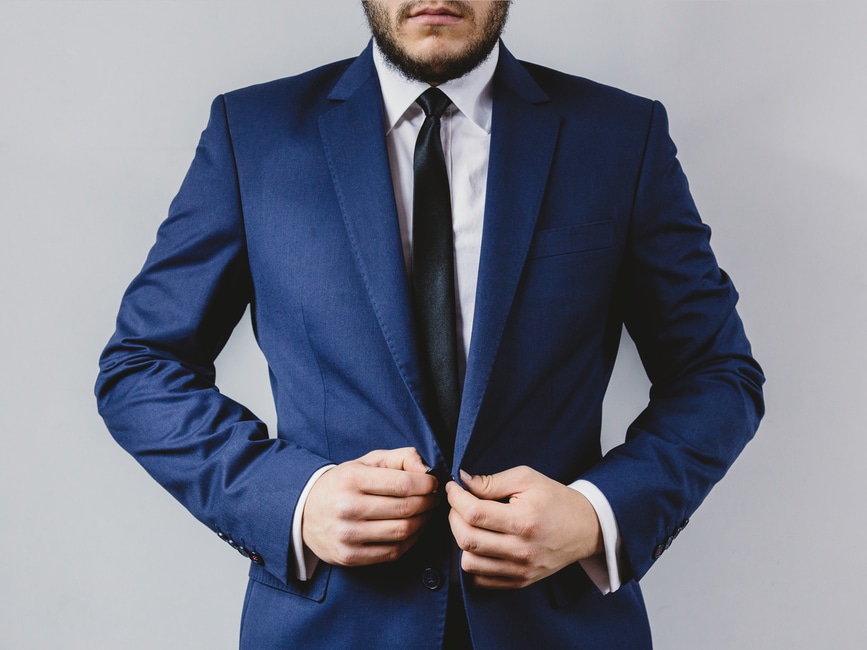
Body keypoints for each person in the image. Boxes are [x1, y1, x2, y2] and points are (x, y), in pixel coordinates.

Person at [95, 1, 765, 647]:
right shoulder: (254, 134)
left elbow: (715, 374)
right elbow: (141, 368)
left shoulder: (620, 137)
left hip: (557, 627)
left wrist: (595, 515)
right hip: (332, 630)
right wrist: (292, 500)